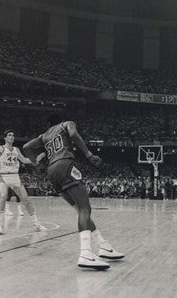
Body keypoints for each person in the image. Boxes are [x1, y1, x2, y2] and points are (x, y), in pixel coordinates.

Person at [23, 114, 124, 270]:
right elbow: (74, 134)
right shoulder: (66, 124)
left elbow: (26, 147)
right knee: (85, 209)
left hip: (51, 172)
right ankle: (85, 253)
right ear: (60, 120)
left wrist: (37, 164)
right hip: (66, 165)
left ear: (48, 124)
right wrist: (89, 155)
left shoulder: (44, 136)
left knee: (80, 210)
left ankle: (103, 246)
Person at [0, 126, 46, 234]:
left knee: (26, 200)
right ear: (5, 138)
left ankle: (36, 223)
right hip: (4, 176)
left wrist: (37, 159)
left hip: (15, 176)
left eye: (13, 135)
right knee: (3, 196)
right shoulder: (0, 148)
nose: (12, 137)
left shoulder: (16, 150)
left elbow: (24, 160)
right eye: (9, 135)